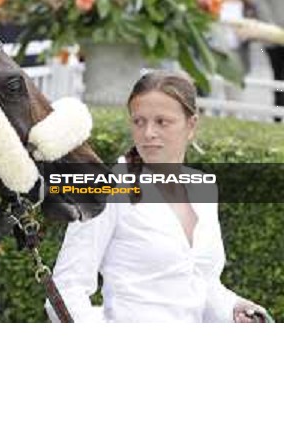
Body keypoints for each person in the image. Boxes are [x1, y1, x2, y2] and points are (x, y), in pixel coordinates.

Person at [46, 70, 268, 323]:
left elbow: (200, 282)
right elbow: (65, 290)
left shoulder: (203, 189)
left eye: (162, 122)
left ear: (191, 125)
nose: (148, 132)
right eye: (139, 121)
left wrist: (233, 308)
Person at [254, 0, 284, 118]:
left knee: (277, 75)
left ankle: (278, 114)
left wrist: (271, 24)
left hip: (272, 34)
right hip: (273, 34)